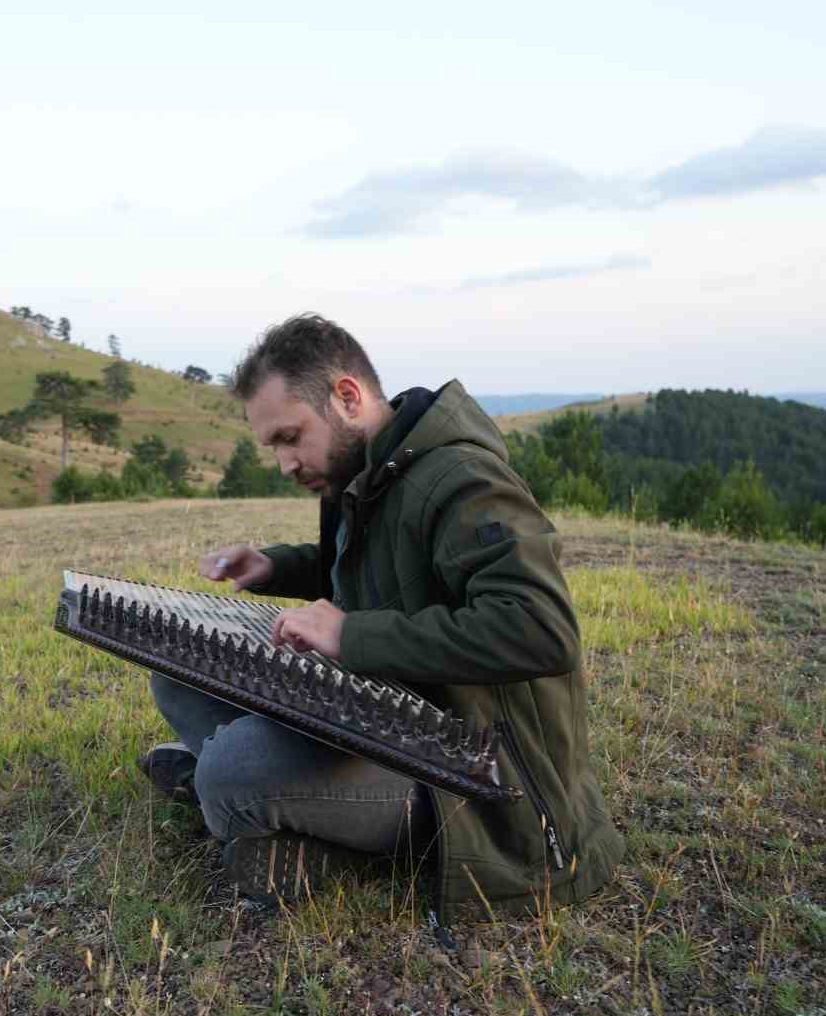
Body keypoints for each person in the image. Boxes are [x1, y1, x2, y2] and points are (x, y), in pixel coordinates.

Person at [139, 313, 623, 917]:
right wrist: (275, 566)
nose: (285, 464)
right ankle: (267, 800)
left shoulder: (461, 478)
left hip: (470, 773)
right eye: (274, 447)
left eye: (290, 437)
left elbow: (539, 629)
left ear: (347, 396)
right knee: (180, 670)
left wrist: (349, 634)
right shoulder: (367, 473)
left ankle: (301, 830)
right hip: (382, 716)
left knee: (231, 770)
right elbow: (385, 569)